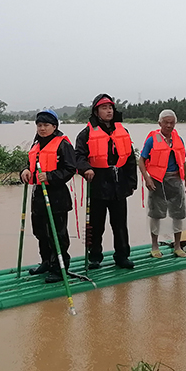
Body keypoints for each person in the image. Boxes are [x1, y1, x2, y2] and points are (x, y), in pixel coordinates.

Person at [74, 94, 138, 269]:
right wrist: (85, 168)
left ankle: (122, 256)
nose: (108, 111)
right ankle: (95, 256)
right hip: (97, 183)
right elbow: (78, 156)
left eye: (110, 107)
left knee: (120, 225)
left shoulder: (122, 131)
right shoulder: (86, 133)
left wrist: (131, 183)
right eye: (104, 108)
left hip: (119, 183)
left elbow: (131, 159)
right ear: (96, 111)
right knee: (95, 224)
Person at [19, 109, 77, 283]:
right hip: (38, 195)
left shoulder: (63, 144)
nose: (42, 128)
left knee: (57, 234)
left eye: (46, 125)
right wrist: (25, 171)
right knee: (40, 232)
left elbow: (70, 169)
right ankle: (46, 261)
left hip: (56, 196)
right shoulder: (36, 144)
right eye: (39, 125)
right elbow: (29, 163)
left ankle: (60, 268)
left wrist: (50, 176)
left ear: (54, 126)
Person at [138, 109, 186, 258]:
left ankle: (177, 246)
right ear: (159, 123)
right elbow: (141, 160)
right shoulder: (152, 140)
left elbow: (182, 162)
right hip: (157, 181)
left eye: (172, 123)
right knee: (156, 214)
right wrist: (147, 178)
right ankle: (155, 246)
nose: (169, 125)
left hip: (175, 180)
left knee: (178, 213)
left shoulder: (178, 140)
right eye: (166, 122)